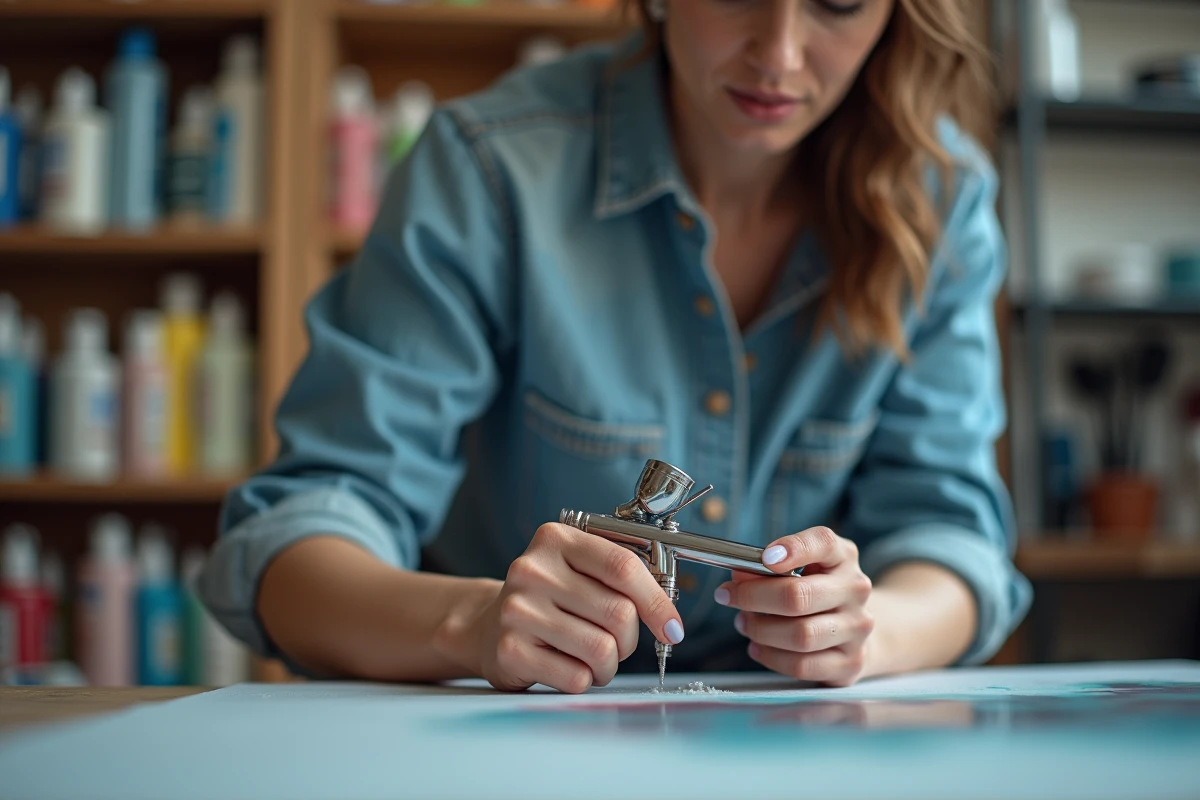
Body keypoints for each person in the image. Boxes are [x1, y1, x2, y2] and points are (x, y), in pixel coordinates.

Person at [197, 0, 1032, 693]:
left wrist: (869, 632)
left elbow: (952, 544)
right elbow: (294, 550)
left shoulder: (943, 204)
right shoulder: (490, 169)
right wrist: (474, 623)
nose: (778, 53)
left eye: (839, 1)